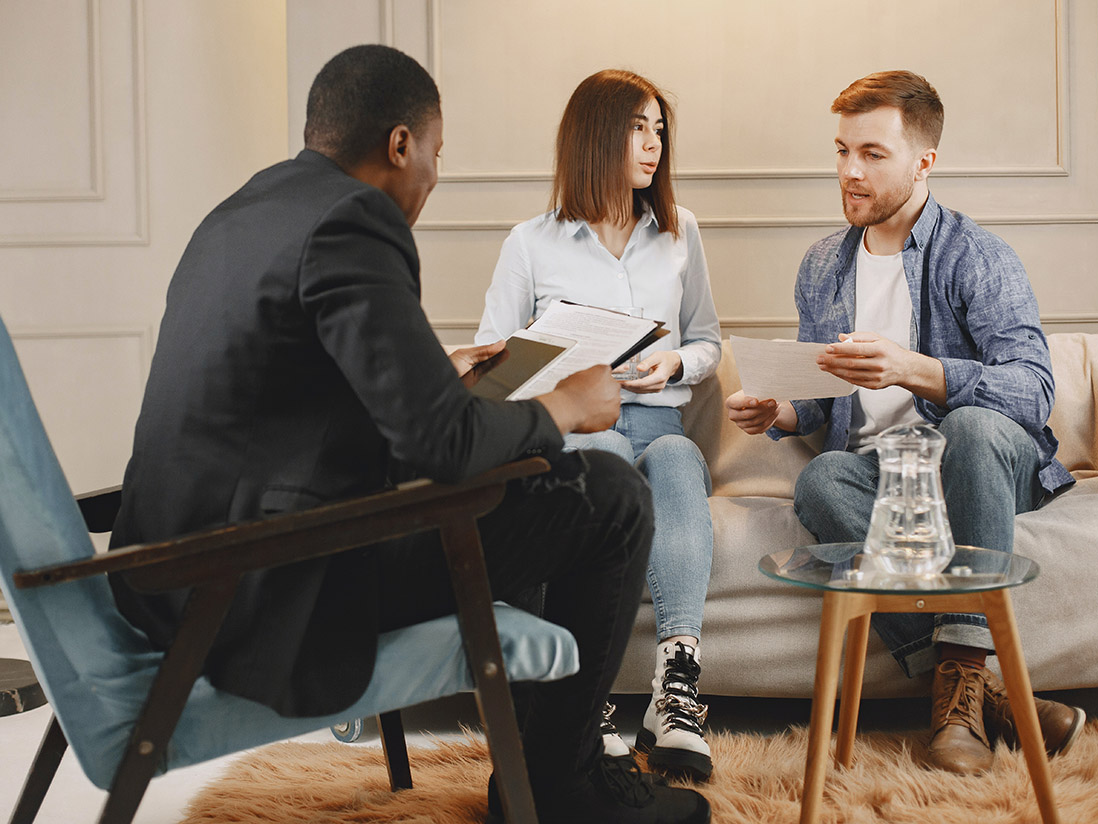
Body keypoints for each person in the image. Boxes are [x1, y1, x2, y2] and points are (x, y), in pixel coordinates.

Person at [107, 45, 709, 824]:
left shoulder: (243, 211)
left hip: (176, 572)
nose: (433, 174)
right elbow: (443, 449)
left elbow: (289, 404)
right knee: (612, 495)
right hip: (270, 586)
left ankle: (534, 762)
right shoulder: (354, 220)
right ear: (399, 144)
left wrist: (442, 373)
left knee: (529, 480)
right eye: (436, 153)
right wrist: (563, 404)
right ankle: (566, 786)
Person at [724, 70, 1085, 775]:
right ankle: (980, 692)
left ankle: (960, 694)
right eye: (841, 151)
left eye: (872, 154)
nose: (849, 172)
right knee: (823, 479)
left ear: (924, 162)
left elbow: (1032, 391)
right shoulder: (825, 264)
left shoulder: (977, 256)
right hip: (887, 476)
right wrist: (781, 409)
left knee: (975, 431)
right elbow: (828, 399)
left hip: (980, 464)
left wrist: (912, 368)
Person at [476, 69, 722, 783]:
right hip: (584, 424)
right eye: (637, 128)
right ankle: (588, 706)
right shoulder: (530, 243)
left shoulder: (681, 232)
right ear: (594, 136)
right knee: (604, 452)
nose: (653, 145)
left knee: (676, 457)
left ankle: (676, 691)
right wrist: (565, 372)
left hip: (660, 417)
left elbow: (709, 341)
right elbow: (494, 365)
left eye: (659, 130)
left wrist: (674, 362)